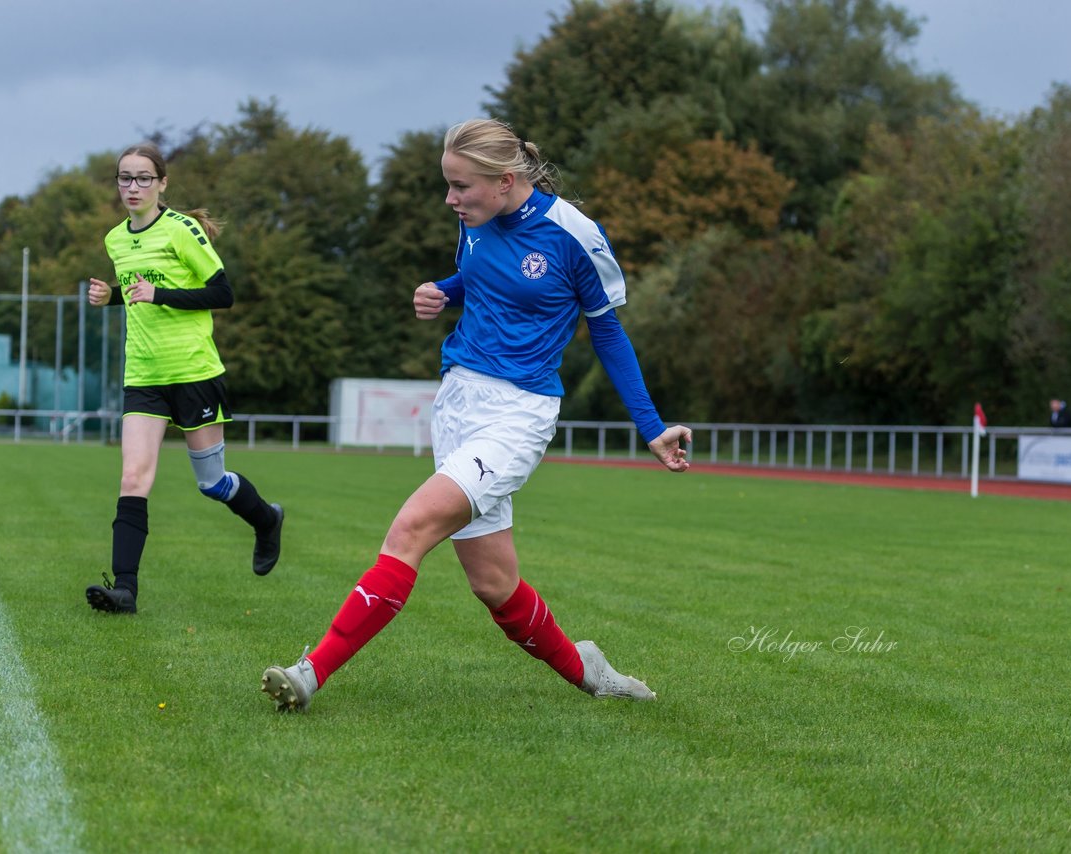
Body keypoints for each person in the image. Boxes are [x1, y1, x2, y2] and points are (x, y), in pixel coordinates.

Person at [261, 118, 692, 712]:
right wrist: (442, 289)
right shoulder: (475, 222)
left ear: (504, 180)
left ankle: (310, 672)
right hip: (457, 403)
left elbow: (608, 333)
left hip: (518, 416)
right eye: (449, 185)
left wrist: (652, 427)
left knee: (409, 529)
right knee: (494, 585)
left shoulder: (574, 234)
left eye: (461, 187)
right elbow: (481, 279)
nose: (450, 199)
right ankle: (589, 672)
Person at [84, 142, 284, 615]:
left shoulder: (182, 229)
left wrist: (160, 292)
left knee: (212, 482)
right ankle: (125, 590)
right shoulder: (115, 239)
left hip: (194, 372)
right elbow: (139, 295)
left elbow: (223, 293)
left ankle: (267, 519)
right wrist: (110, 296)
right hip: (144, 375)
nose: (132, 187)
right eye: (124, 178)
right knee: (133, 476)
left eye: (143, 178)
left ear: (162, 184)